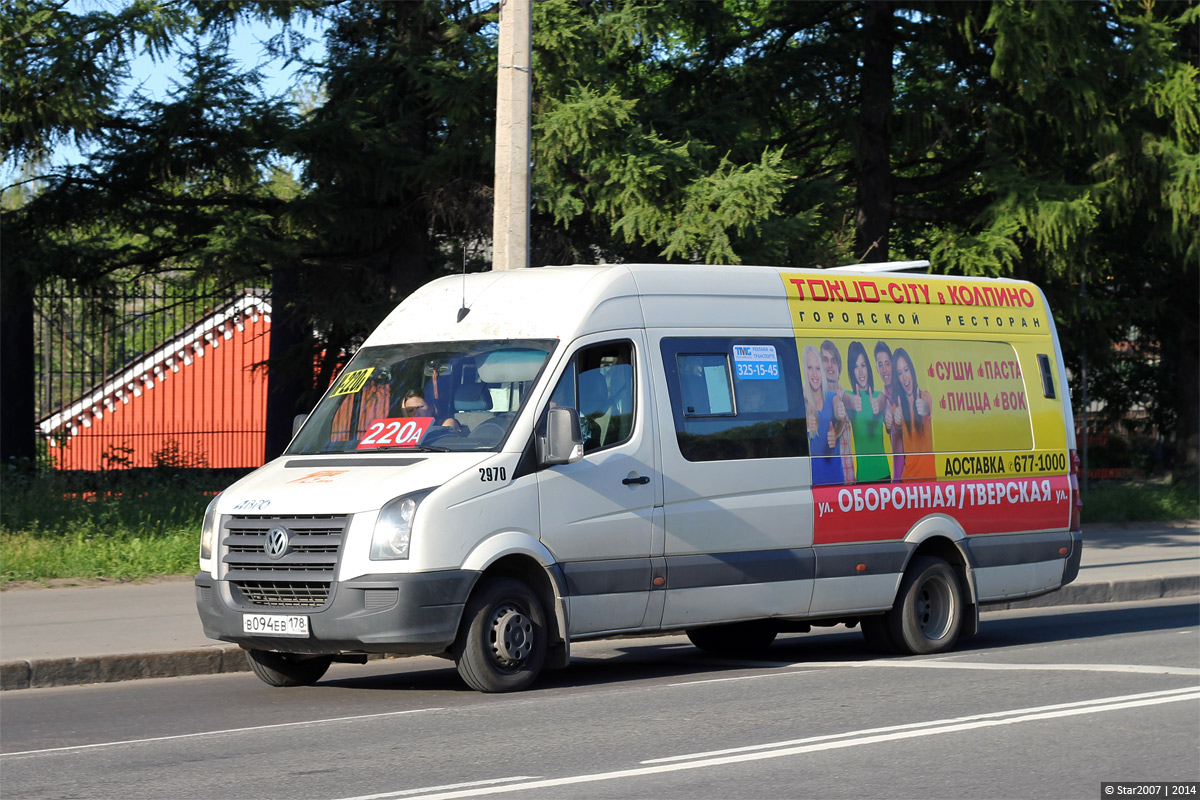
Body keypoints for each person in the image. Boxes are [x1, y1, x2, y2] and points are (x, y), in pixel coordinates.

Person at [843, 341, 890, 483]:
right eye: (856, 367)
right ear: (852, 371)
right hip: (863, 479)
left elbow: (881, 401)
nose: (861, 372)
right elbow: (846, 399)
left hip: (884, 475)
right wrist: (853, 400)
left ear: (868, 368)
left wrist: (878, 404)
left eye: (863, 365)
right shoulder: (849, 396)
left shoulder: (879, 395)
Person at [803, 344, 846, 485]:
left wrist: (836, 432)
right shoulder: (801, 402)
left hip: (836, 479)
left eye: (817, 368)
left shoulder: (832, 397)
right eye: (810, 368)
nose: (815, 374)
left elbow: (841, 418)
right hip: (814, 481)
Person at [890, 347, 934, 481]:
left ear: (912, 371)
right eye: (899, 373)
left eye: (906, 370)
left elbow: (927, 407)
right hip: (909, 483)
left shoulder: (925, 396)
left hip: (930, 482)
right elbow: (895, 431)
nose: (904, 377)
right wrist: (896, 422)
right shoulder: (896, 407)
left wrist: (924, 408)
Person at [820, 340, 855, 484]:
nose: (830, 365)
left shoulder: (846, 397)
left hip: (847, 482)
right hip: (823, 479)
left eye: (833, 361)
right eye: (825, 360)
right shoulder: (813, 399)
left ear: (839, 367)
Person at [874, 341, 905, 482]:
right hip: (898, 480)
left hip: (914, 478)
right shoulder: (885, 398)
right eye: (880, 365)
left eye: (887, 363)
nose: (884, 369)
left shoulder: (905, 391)